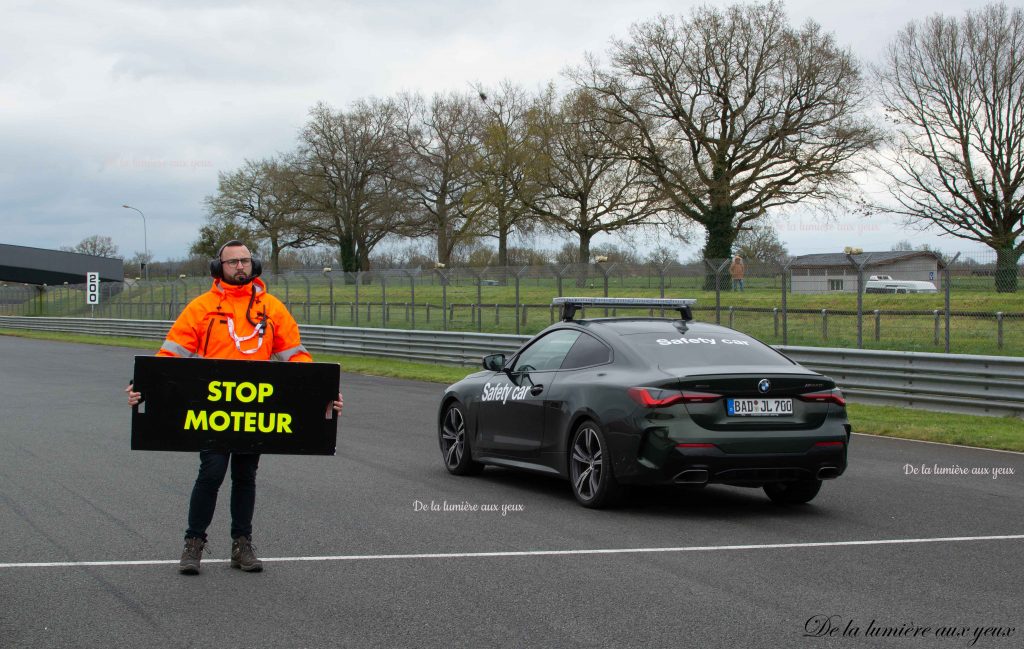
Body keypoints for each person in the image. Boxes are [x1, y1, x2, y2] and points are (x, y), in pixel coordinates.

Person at [126, 241, 343, 575]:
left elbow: (297, 358)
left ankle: (241, 545)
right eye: (232, 262)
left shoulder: (272, 308)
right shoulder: (201, 307)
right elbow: (169, 356)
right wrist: (143, 386)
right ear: (219, 268)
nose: (240, 267)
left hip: (256, 413)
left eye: (245, 261)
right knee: (211, 473)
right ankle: (193, 544)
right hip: (212, 411)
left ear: (253, 264)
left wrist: (322, 392)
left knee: (245, 475)